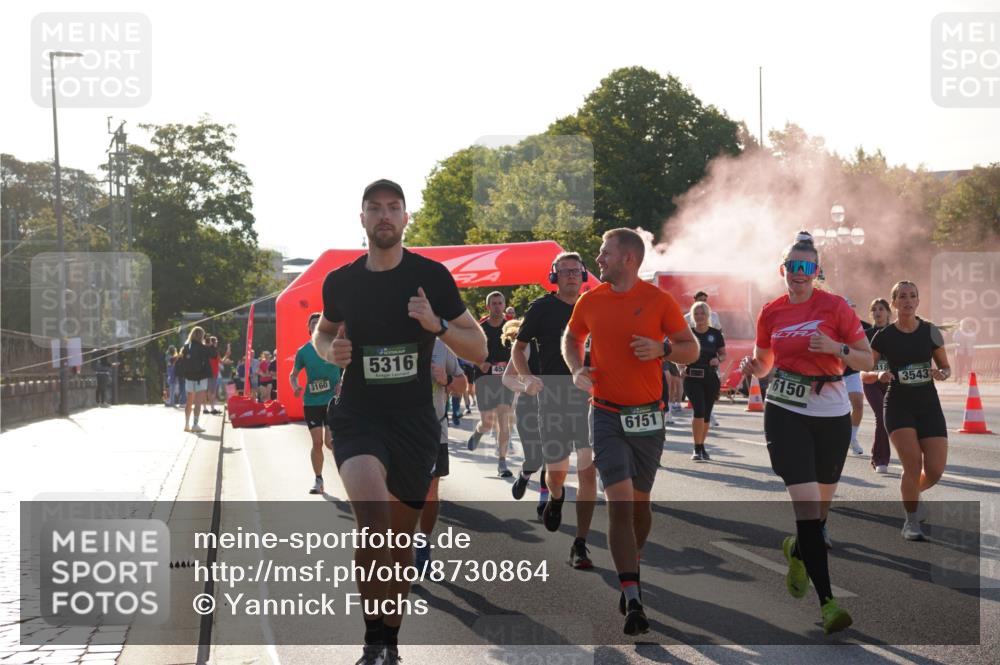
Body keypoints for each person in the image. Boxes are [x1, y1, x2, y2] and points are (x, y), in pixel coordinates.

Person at [312, 179, 487, 665]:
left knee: (400, 544)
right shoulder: (341, 281)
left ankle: (390, 637)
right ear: (362, 218)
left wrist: (438, 326)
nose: (384, 216)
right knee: (373, 524)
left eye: (394, 208)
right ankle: (372, 641)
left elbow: (479, 347)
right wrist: (333, 351)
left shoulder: (431, 277)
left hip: (413, 423)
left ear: (406, 218)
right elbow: (322, 333)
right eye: (375, 209)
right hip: (358, 416)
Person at [562, 228, 699, 636]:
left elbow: (690, 347)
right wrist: (576, 368)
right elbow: (572, 336)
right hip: (605, 413)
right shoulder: (591, 300)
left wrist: (664, 350)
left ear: (628, 259)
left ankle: (630, 565)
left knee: (640, 506)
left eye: (604, 253)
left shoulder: (658, 301)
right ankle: (633, 596)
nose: (598, 260)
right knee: (619, 503)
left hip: (648, 417)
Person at [739, 231, 871, 635]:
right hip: (784, 410)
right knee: (808, 508)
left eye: (806, 267)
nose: (799, 274)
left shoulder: (835, 308)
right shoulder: (771, 312)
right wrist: (752, 369)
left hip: (831, 411)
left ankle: (797, 549)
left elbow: (867, 357)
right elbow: (765, 362)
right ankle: (828, 603)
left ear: (816, 271)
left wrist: (836, 348)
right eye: (792, 267)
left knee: (820, 511)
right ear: (782, 270)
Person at [509, 252, 598, 569]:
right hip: (554, 396)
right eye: (565, 271)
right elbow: (518, 349)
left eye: (577, 271)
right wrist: (527, 377)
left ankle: (581, 544)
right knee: (558, 473)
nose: (572, 276)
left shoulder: (597, 304)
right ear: (554, 276)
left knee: (588, 471)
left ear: (583, 275)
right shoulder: (541, 308)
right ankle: (556, 497)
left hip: (590, 396)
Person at [870, 281, 951, 542]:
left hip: (928, 405)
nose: (907, 300)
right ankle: (911, 521)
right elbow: (863, 370)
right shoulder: (884, 336)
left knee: (936, 470)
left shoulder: (930, 332)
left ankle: (911, 496)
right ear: (894, 303)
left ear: (918, 301)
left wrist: (942, 373)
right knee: (913, 463)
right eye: (902, 296)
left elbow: (946, 367)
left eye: (912, 296)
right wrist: (878, 373)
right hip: (897, 405)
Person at [415, 337, 468, 570]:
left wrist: (446, 379)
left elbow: (462, 385)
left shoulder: (440, 345)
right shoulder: (386, 338)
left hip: (434, 430)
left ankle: (423, 548)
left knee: (429, 492)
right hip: (394, 432)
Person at [291, 313, 342, 494]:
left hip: (331, 401)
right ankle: (318, 480)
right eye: (312, 323)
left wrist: (341, 383)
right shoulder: (303, 351)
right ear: (309, 328)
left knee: (331, 442)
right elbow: (293, 375)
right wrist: (296, 386)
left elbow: (347, 367)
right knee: (317, 442)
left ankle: (345, 474)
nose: (315, 325)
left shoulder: (334, 346)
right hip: (312, 402)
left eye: (318, 322)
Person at [467, 291, 517, 478]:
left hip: (505, 379)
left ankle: (502, 462)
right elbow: (468, 351)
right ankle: (480, 431)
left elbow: (520, 351)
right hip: (485, 378)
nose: (497, 306)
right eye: (493, 303)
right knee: (488, 422)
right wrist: (480, 363)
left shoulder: (511, 328)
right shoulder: (480, 328)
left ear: (504, 305)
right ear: (488, 307)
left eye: (500, 303)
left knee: (504, 418)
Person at [682, 301, 726, 461]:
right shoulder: (688, 333)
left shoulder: (715, 334)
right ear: (693, 316)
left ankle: (702, 446)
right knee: (698, 410)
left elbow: (723, 354)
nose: (699, 317)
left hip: (710, 377)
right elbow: (678, 352)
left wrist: (718, 359)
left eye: (702, 314)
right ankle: (696, 447)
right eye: (696, 314)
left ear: (708, 316)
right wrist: (681, 366)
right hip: (692, 378)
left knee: (707, 413)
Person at [860, 298, 893, 473]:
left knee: (891, 420)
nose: (877, 312)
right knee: (881, 415)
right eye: (874, 310)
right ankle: (881, 459)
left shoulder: (896, 332)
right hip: (871, 380)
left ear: (888, 312)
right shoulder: (865, 334)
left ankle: (877, 452)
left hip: (891, 382)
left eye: (881, 309)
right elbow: (860, 363)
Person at [842, 299, 870, 456]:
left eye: (852, 308)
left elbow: (879, 333)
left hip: (853, 373)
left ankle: (852, 438)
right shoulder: (834, 326)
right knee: (841, 410)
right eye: (847, 309)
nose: (850, 312)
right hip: (834, 375)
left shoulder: (864, 326)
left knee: (858, 405)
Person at [180, 326, 214, 434]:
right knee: (198, 402)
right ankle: (195, 424)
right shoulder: (203, 348)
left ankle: (186, 424)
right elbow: (213, 354)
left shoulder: (186, 347)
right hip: (201, 377)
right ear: (201, 336)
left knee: (189, 401)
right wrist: (209, 345)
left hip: (189, 377)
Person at [205, 336, 228, 415]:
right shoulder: (215, 351)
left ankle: (205, 408)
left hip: (206, 373)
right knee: (213, 391)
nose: (217, 343)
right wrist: (227, 355)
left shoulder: (206, 350)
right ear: (214, 342)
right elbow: (221, 362)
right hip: (214, 373)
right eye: (216, 342)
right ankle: (212, 408)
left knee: (207, 390)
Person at [953, 317, 976, 384]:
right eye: (963, 324)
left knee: (969, 366)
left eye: (966, 324)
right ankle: (960, 379)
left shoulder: (970, 332)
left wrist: (968, 339)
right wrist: (961, 340)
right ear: (961, 324)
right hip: (960, 351)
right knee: (961, 365)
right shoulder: (958, 331)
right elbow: (955, 339)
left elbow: (974, 339)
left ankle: (970, 379)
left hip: (969, 352)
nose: (965, 325)